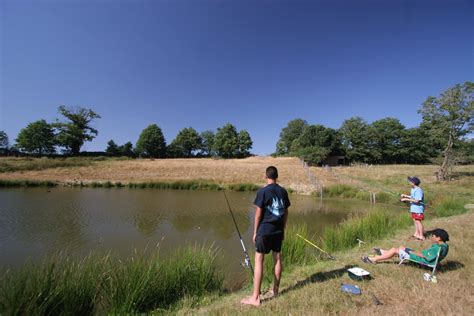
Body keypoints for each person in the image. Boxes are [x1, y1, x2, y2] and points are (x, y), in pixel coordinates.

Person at [240, 166, 290, 306]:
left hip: (265, 230)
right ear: (277, 176)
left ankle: (255, 298)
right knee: (277, 258)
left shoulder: (263, 192)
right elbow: (285, 212)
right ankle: (275, 291)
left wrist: (255, 232)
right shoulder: (283, 191)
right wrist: (283, 228)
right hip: (278, 231)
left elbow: (258, 214)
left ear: (266, 176)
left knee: (259, 260)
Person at [361, 228, 449, 265]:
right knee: (401, 248)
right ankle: (384, 253)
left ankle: (374, 259)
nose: (431, 238)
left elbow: (424, 256)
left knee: (395, 250)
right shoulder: (444, 246)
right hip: (426, 259)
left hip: (421, 260)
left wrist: (411, 252)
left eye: (433, 236)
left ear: (439, 238)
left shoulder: (437, 248)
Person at [400, 176, 425, 240]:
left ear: (414, 183)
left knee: (418, 221)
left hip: (418, 209)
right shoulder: (413, 189)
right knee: (415, 221)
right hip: (413, 208)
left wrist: (406, 199)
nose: (409, 182)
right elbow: (413, 197)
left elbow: (417, 200)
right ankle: (416, 233)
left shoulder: (419, 190)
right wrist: (405, 196)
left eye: (410, 181)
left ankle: (421, 236)